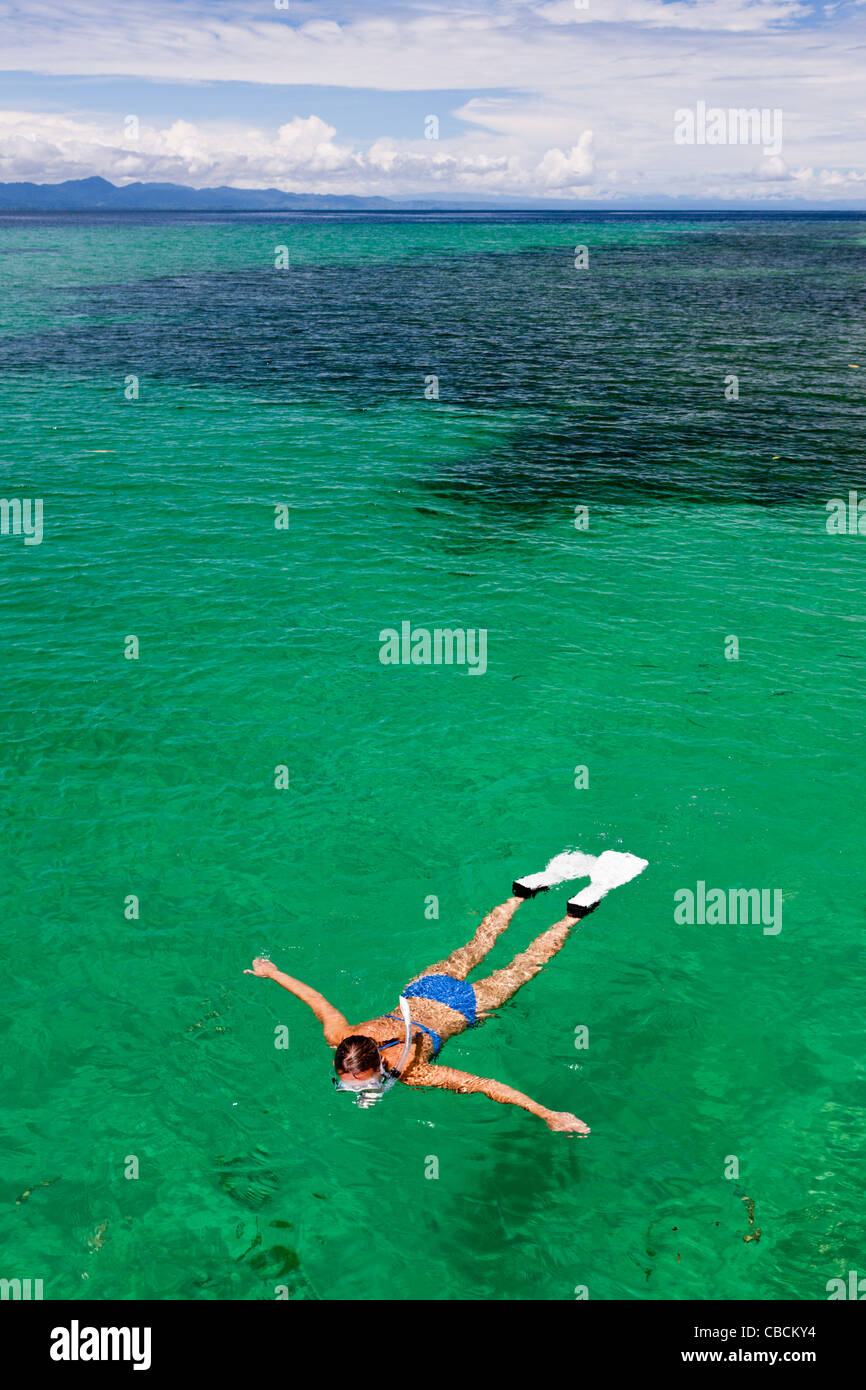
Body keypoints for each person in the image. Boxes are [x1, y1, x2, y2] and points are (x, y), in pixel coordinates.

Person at [245, 867, 614, 1134]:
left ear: (373, 1065)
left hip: (463, 1005)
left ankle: (571, 916)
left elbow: (485, 1085)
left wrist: (545, 1112)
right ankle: (519, 895)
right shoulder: (340, 1033)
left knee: (524, 965)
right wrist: (273, 973)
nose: (355, 1088)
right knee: (477, 945)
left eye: (357, 1083)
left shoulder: (412, 1072)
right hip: (424, 989)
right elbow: (315, 998)